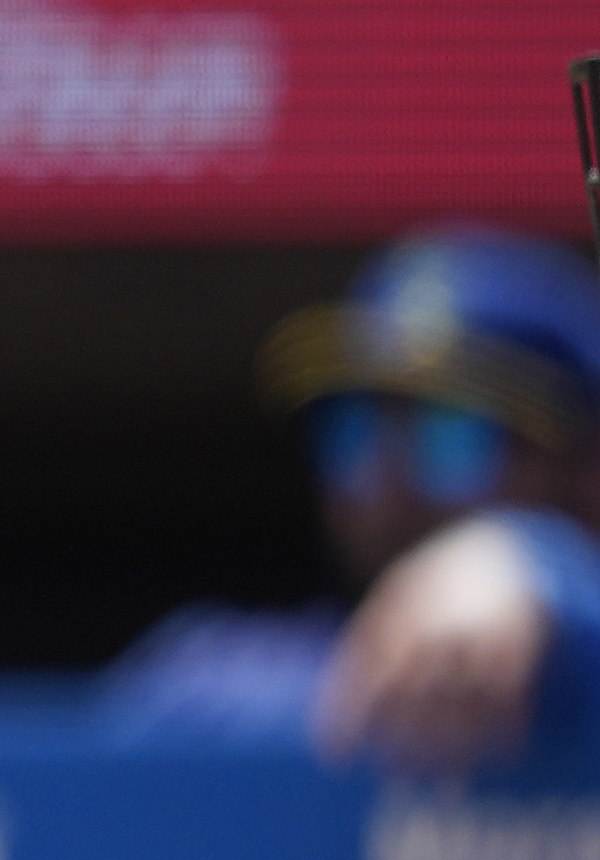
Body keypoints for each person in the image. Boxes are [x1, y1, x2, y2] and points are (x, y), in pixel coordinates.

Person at [102, 225, 600, 768]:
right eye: (355, 430)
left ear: (583, 470)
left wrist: (537, 566)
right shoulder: (213, 677)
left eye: (450, 436)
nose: (389, 482)